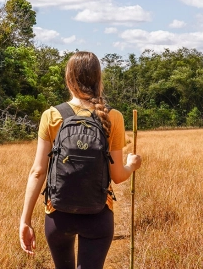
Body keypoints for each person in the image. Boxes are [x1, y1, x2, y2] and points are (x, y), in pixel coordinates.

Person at [19, 51, 142, 269]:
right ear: (98, 79)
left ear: (68, 79)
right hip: (98, 214)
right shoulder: (113, 117)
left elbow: (37, 172)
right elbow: (117, 176)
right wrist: (132, 165)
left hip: (58, 215)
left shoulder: (51, 115)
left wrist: (25, 221)